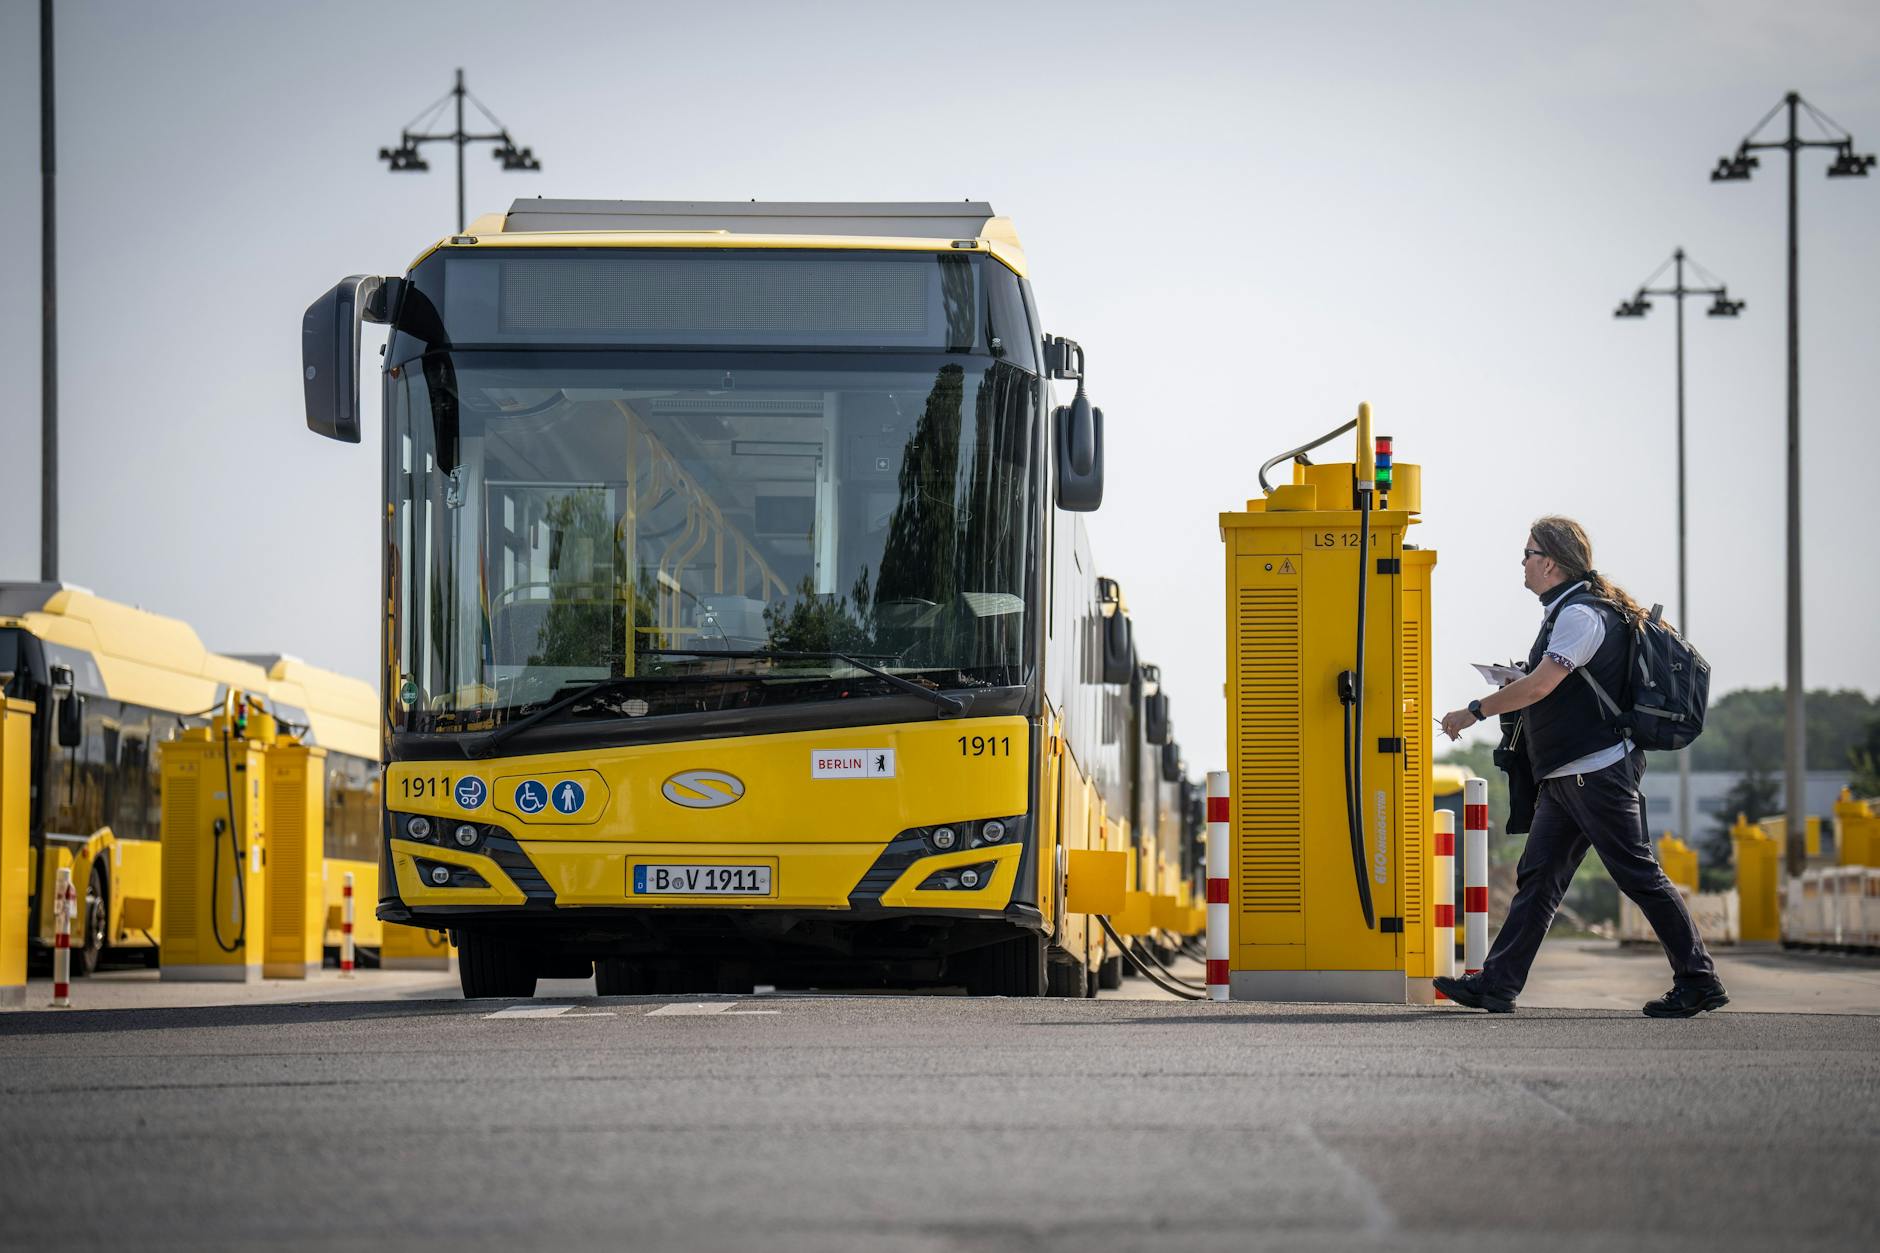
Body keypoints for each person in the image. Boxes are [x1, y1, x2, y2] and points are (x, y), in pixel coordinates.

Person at [1434, 516, 1727, 1018]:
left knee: (1637, 874)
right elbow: (1550, 685)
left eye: (1527, 554)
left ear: (1550, 562)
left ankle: (1699, 980)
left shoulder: (1582, 615)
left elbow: (1540, 686)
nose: (1522, 564)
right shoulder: (1570, 612)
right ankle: (1498, 984)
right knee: (1538, 879)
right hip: (1570, 774)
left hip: (1596, 772)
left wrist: (1475, 710)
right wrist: (1518, 681)